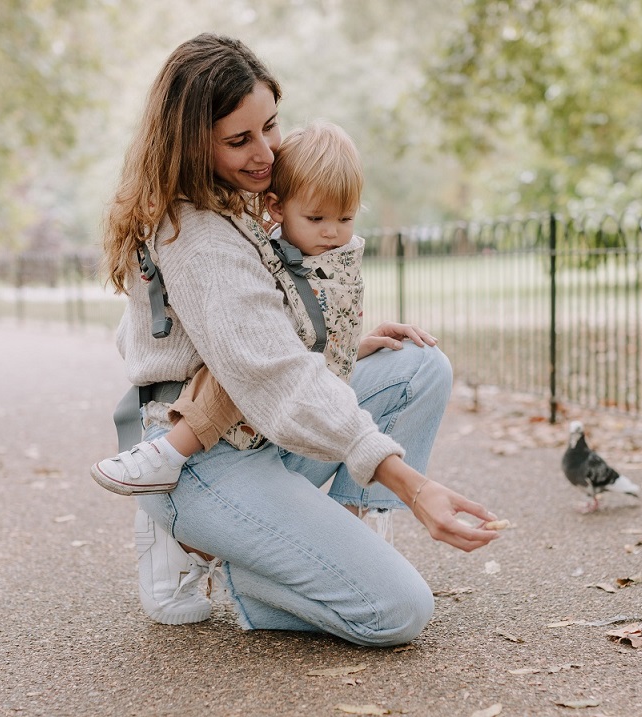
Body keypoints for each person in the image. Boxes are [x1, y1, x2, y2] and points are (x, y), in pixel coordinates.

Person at [101, 33, 499, 645]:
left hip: (256, 431)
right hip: (204, 459)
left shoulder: (239, 203)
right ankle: (229, 562)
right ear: (190, 143)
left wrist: (342, 344)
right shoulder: (200, 235)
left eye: (270, 126)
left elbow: (262, 333)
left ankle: (338, 529)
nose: (267, 152)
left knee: (417, 366)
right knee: (397, 612)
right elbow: (275, 376)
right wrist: (409, 485)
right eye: (240, 140)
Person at [90, 121, 429, 545]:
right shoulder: (251, 248)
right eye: (317, 218)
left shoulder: (339, 257)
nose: (332, 231)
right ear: (276, 208)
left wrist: (354, 347)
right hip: (241, 383)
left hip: (285, 399)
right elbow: (263, 348)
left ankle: (355, 515)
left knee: (421, 363)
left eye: (345, 218)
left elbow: (320, 332)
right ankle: (170, 453)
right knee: (236, 372)